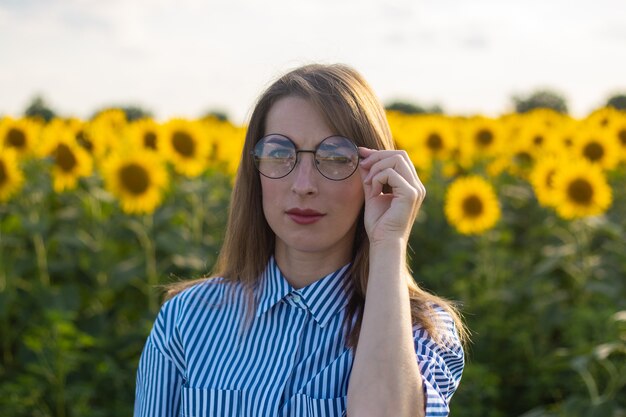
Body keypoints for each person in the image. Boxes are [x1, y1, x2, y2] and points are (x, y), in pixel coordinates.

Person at [134, 63, 467, 417]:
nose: (304, 184)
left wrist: (388, 242)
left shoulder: (420, 330)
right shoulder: (187, 319)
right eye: (279, 154)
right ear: (255, 171)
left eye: (336, 157)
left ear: (377, 173)